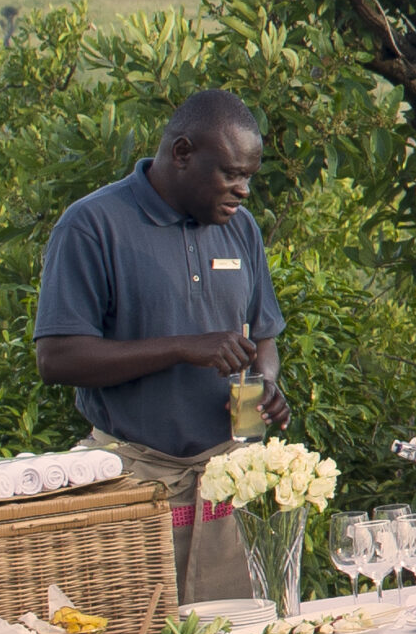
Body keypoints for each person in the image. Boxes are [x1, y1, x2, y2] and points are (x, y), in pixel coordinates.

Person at [31, 91, 284, 601]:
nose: (244, 190)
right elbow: (56, 358)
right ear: (183, 153)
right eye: (232, 174)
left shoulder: (241, 229)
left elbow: (264, 336)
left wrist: (267, 386)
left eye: (249, 176)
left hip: (226, 488)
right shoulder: (93, 225)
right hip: (133, 485)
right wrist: (182, 348)